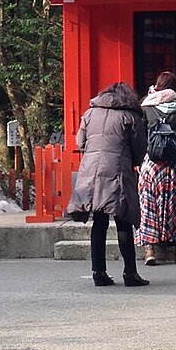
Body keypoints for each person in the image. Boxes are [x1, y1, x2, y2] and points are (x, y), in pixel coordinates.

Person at [65, 81, 149, 288]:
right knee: (123, 220)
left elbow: (80, 142)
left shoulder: (90, 113)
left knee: (99, 221)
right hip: (118, 170)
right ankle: (130, 273)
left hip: (91, 171)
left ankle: (98, 273)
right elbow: (140, 148)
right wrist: (134, 162)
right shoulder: (130, 116)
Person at [137, 70, 176, 267]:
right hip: (174, 164)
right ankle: (171, 248)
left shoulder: (146, 105)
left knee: (149, 204)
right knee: (174, 204)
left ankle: (149, 249)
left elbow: (139, 134)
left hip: (152, 164)